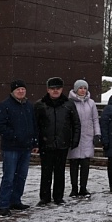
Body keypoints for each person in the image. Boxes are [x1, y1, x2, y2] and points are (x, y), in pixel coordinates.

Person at [0, 79, 38, 216]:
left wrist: (34, 142)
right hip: (11, 148)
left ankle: (15, 200)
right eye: (18, 89)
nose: (21, 91)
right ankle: (4, 205)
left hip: (26, 148)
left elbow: (34, 125)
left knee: (21, 176)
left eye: (23, 89)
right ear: (13, 91)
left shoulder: (29, 106)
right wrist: (14, 135)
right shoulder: (4, 106)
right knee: (9, 177)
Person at [35, 76, 81, 205]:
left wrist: (74, 140)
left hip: (62, 143)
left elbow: (76, 123)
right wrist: (36, 142)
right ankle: (44, 197)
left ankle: (58, 196)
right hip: (46, 144)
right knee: (46, 172)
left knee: (60, 171)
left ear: (62, 89)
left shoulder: (68, 104)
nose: (55, 91)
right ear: (48, 90)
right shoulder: (40, 105)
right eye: (52, 88)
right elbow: (35, 125)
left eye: (58, 88)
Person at [67, 79, 100, 198]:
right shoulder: (69, 102)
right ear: (76, 89)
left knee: (85, 164)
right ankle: (74, 188)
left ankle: (83, 187)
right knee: (74, 164)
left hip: (87, 137)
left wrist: (97, 133)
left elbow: (95, 119)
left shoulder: (91, 103)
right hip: (74, 137)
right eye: (80, 88)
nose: (83, 90)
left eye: (85, 88)